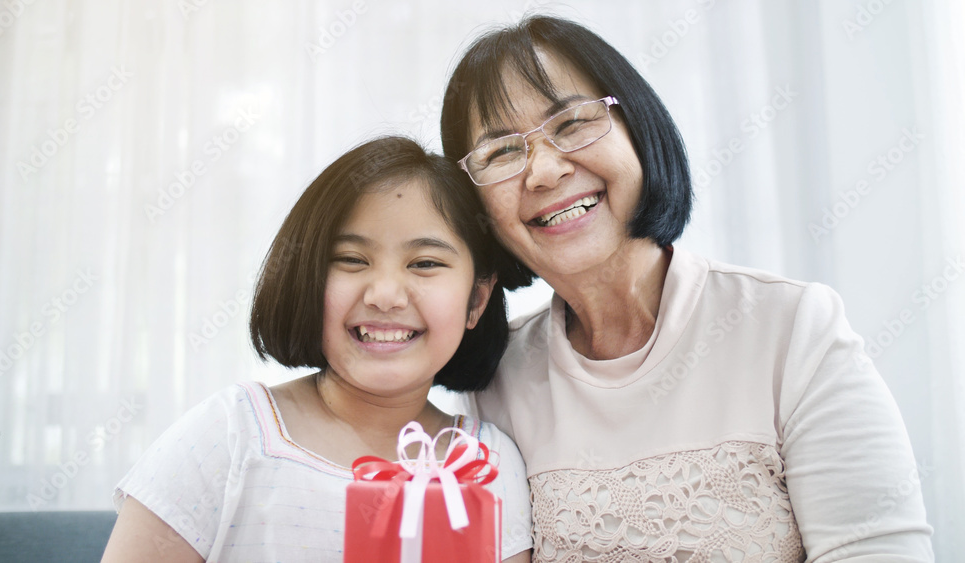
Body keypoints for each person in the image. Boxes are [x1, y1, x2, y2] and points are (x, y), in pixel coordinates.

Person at [440, 15, 934, 562]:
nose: (544, 170)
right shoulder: (494, 387)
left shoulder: (792, 330)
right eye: (501, 153)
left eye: (571, 123)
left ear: (638, 126)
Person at [101, 136, 533, 562]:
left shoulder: (487, 463)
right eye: (351, 259)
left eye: (424, 264)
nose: (385, 295)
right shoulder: (230, 438)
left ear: (476, 300)